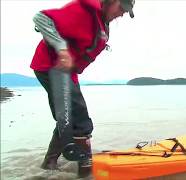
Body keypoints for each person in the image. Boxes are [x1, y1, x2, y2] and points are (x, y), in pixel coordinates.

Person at [30, 0, 135, 177]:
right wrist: (61, 49)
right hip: (51, 67)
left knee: (69, 118)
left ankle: (49, 164)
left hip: (67, 73)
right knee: (81, 121)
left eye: (126, 11)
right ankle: (86, 171)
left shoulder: (102, 21)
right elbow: (40, 18)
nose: (122, 13)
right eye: (121, 8)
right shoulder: (84, 10)